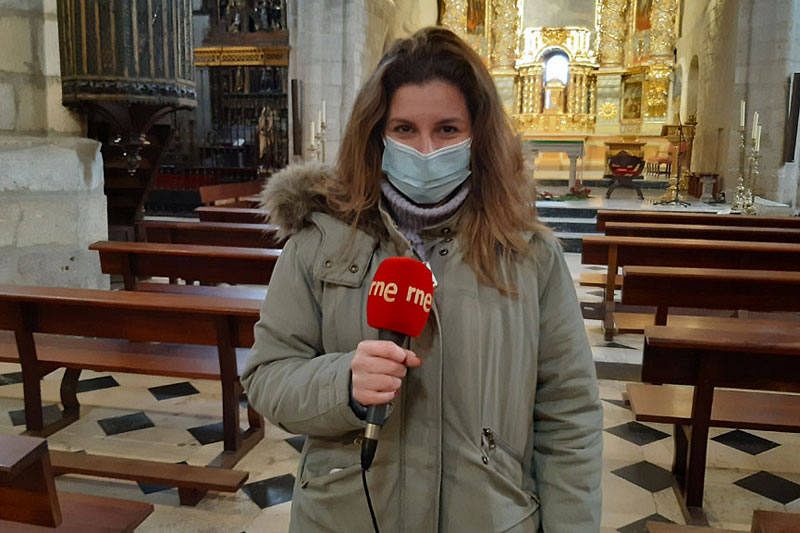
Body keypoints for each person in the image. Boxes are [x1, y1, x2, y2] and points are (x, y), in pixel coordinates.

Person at [242, 26, 602, 532]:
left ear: (477, 134)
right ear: (377, 134)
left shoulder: (528, 255)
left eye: (448, 129)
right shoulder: (319, 241)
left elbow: (569, 415)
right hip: (349, 514)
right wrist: (341, 382)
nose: (426, 148)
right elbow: (267, 377)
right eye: (405, 129)